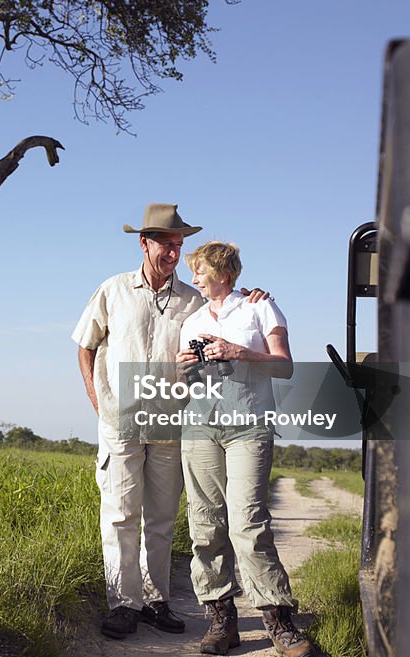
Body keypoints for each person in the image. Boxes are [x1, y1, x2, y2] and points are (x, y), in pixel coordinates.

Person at [72, 204, 267, 641]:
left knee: (161, 518)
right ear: (144, 242)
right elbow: (85, 347)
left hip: (172, 424)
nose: (174, 254)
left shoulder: (194, 299)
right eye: (167, 244)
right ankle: (124, 604)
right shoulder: (113, 289)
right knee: (121, 515)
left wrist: (253, 296)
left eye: (180, 246)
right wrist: (97, 402)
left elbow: (227, 311)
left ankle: (155, 599)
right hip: (120, 422)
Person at [176, 241, 313, 657]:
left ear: (222, 272)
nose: (194, 277)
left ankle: (278, 618)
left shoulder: (261, 308)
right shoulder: (193, 320)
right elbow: (185, 386)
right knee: (204, 524)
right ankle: (222, 619)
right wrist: (184, 368)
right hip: (200, 426)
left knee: (247, 524)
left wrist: (240, 352)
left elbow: (284, 365)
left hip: (248, 427)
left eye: (199, 270)